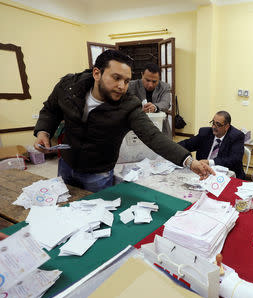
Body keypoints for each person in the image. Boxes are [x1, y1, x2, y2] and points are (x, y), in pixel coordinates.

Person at [34, 50, 213, 192]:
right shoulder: (69, 87)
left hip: (99, 173)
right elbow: (51, 109)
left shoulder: (128, 106)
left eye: (127, 81)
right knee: (64, 210)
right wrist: (43, 132)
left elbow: (153, 136)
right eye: (116, 78)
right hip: (66, 164)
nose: (122, 86)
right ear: (97, 73)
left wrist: (190, 162)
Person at [178, 111, 246, 179]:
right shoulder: (205, 133)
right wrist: (172, 150)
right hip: (203, 173)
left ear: (227, 127)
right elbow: (186, 144)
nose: (214, 127)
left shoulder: (236, 136)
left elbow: (234, 159)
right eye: (213, 123)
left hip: (227, 176)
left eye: (218, 124)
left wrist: (209, 162)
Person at [128, 63, 172, 136]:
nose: (150, 85)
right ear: (142, 74)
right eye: (147, 80)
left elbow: (166, 103)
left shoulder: (164, 87)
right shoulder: (131, 86)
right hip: (136, 126)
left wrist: (155, 107)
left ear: (159, 78)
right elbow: (126, 103)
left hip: (159, 125)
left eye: (154, 81)